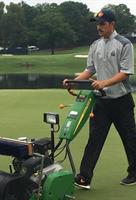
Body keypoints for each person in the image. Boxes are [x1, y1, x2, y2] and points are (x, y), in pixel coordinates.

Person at [63, 8, 136, 189]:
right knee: (94, 139)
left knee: (130, 138)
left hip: (121, 100)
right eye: (97, 23)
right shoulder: (95, 45)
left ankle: (134, 173)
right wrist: (73, 82)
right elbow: (89, 70)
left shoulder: (124, 44)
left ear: (112, 24)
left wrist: (104, 83)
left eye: (102, 23)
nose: (99, 27)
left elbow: (125, 73)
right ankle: (84, 177)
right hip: (101, 102)